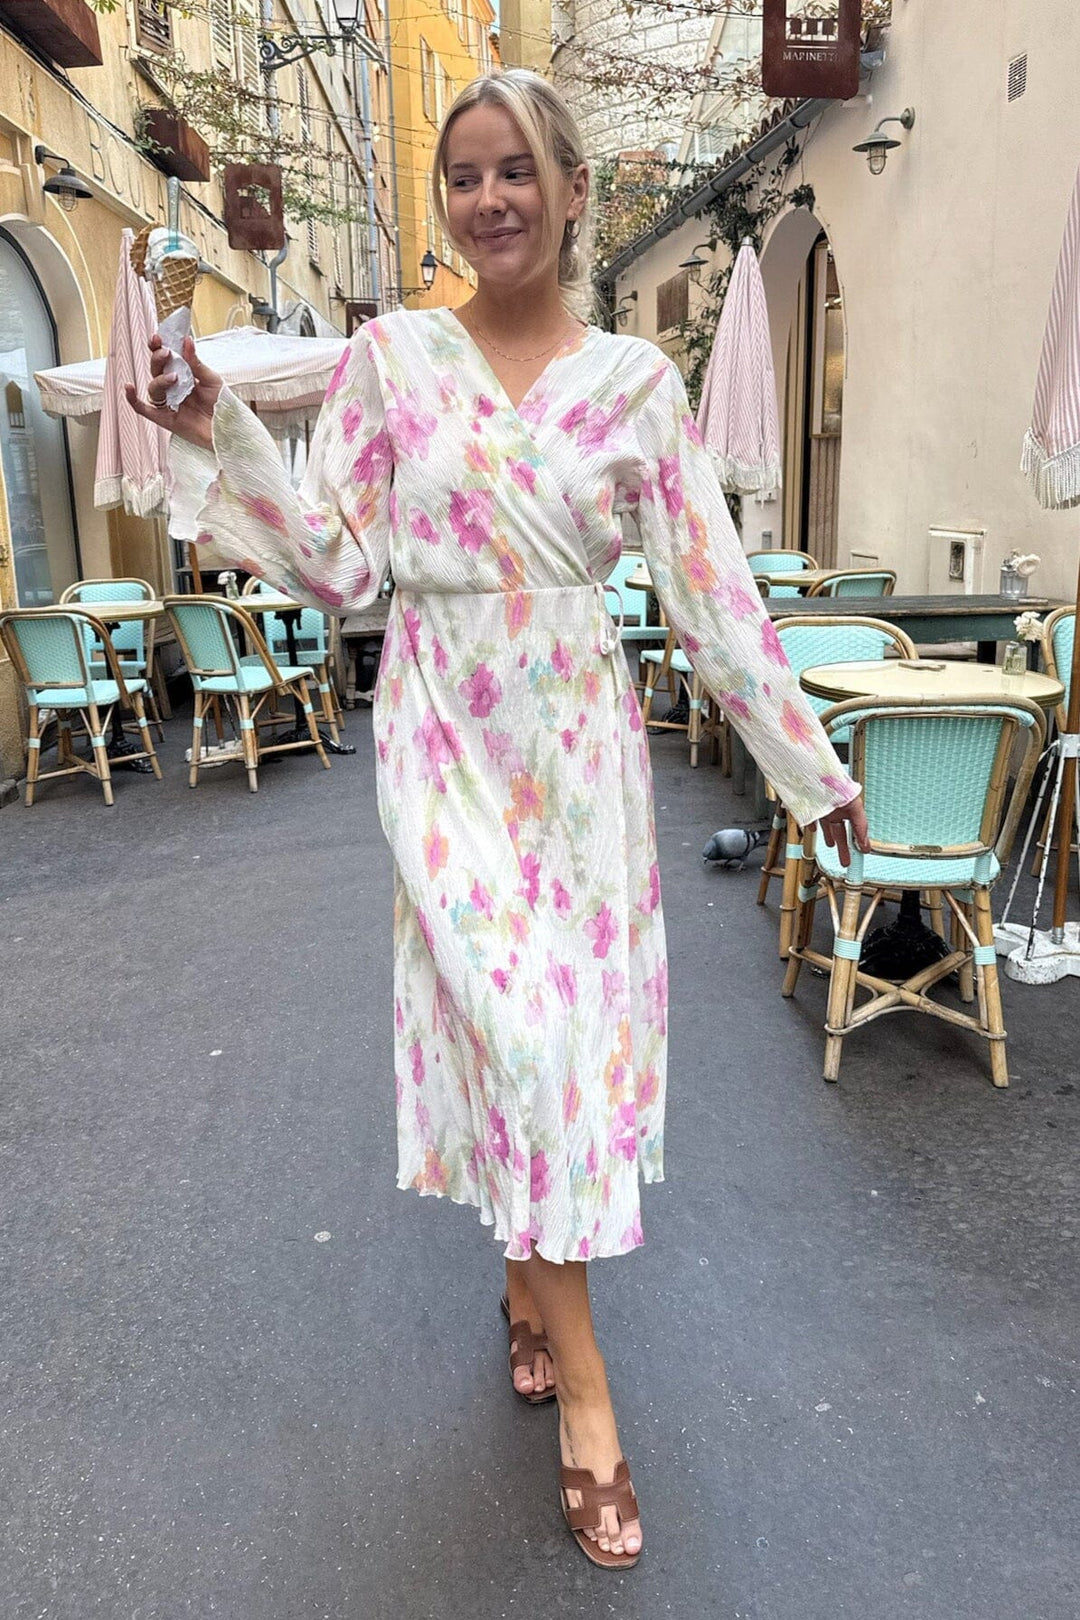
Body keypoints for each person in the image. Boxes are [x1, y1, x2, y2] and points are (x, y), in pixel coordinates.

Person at [128, 68, 869, 1570]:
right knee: (521, 1043)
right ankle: (591, 1400)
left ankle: (530, 1284)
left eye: (516, 169)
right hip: (447, 743)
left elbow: (713, 600)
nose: (488, 199)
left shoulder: (638, 385)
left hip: (578, 763)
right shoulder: (392, 358)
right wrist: (219, 422)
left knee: (568, 1061)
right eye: (464, 175)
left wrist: (813, 773)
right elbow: (341, 567)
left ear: (574, 190)